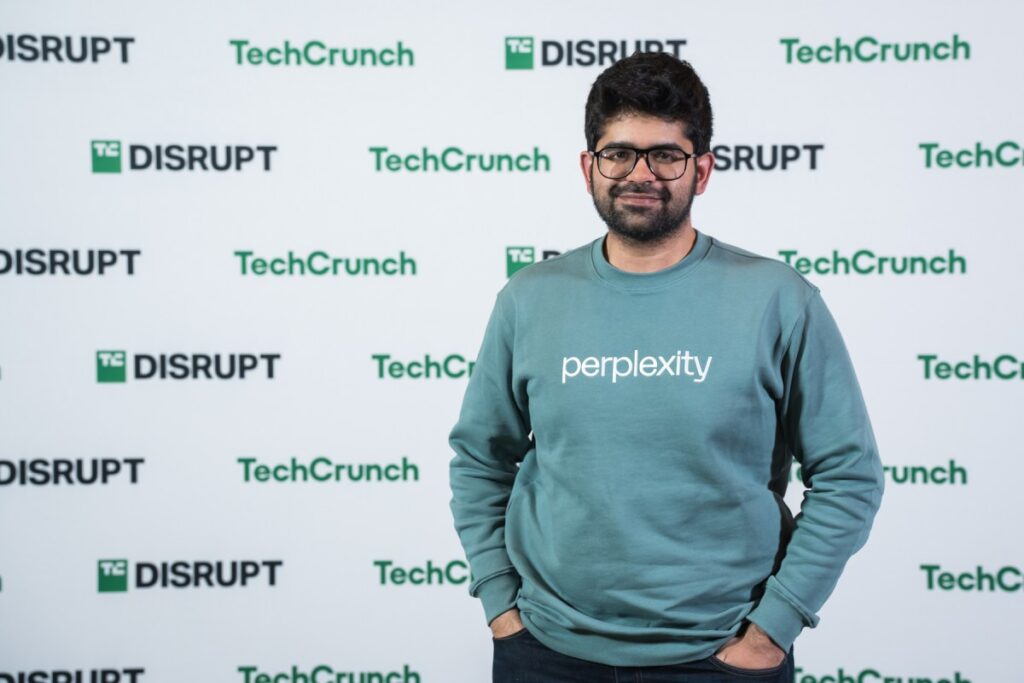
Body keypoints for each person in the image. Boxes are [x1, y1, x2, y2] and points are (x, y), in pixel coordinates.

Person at [448, 51, 884, 682]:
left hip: (722, 655)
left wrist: (773, 629)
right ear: (588, 168)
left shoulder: (777, 299)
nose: (640, 174)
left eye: (666, 156)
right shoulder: (529, 298)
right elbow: (481, 458)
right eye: (618, 153)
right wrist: (500, 603)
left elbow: (849, 475)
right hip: (545, 650)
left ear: (701, 170)